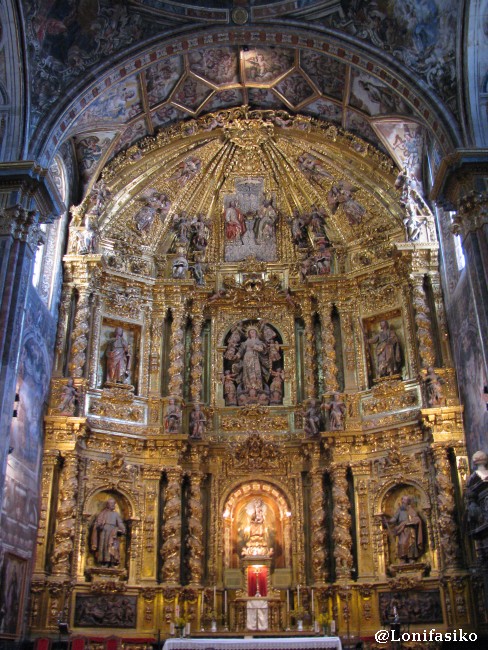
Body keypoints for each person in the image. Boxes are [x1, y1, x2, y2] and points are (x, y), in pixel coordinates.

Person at [387, 496, 423, 564]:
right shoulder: (400, 510)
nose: (405, 502)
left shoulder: (411, 509)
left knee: (411, 543)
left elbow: (416, 518)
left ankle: (411, 557)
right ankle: (403, 558)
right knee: (402, 543)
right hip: (402, 530)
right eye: (404, 500)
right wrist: (388, 521)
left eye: (407, 500)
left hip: (410, 528)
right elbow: (394, 518)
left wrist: (412, 521)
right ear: (402, 501)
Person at [91, 497, 126, 566]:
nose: (113, 505)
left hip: (113, 533)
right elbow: (98, 523)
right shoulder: (103, 513)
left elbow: (120, 523)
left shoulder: (116, 514)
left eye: (113, 504)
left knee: (112, 546)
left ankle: (112, 562)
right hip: (104, 532)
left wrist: (122, 529)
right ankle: (103, 562)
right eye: (111, 504)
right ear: (108, 505)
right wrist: (99, 526)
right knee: (104, 546)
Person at [237, 328, 269, 392]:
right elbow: (241, 351)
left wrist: (254, 346)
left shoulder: (259, 342)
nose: (252, 333)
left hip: (255, 358)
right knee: (247, 371)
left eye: (254, 332)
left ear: (256, 333)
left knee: (256, 371)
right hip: (247, 357)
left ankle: (258, 388)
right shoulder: (245, 342)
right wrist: (237, 355)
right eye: (251, 332)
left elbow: (261, 349)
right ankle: (248, 387)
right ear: (249, 334)